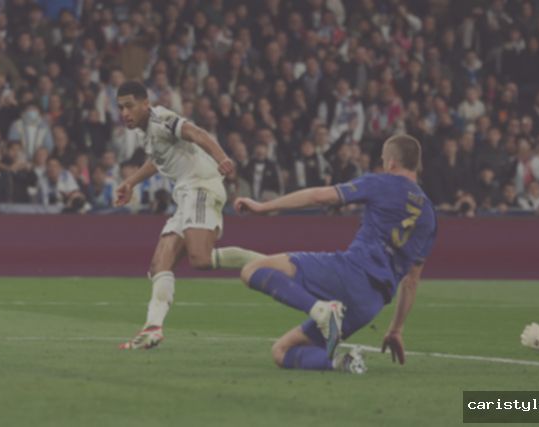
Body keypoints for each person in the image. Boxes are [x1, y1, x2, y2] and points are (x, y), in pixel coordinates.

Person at [234, 134, 437, 374]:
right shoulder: (429, 215)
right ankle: (344, 362)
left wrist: (265, 207)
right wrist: (395, 329)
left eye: (383, 160)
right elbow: (411, 281)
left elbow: (320, 197)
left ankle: (320, 310)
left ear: (391, 162)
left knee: (253, 269)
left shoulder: (382, 183)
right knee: (282, 352)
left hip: (350, 273)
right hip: (369, 305)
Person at [114, 81, 263, 350]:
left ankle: (272, 263)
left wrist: (221, 157)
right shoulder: (145, 131)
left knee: (200, 258)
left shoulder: (161, 118)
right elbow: (157, 160)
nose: (124, 113)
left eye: (129, 106)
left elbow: (196, 133)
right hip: (185, 195)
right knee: (159, 266)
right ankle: (153, 328)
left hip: (201, 186)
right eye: (120, 108)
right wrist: (130, 182)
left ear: (145, 104)